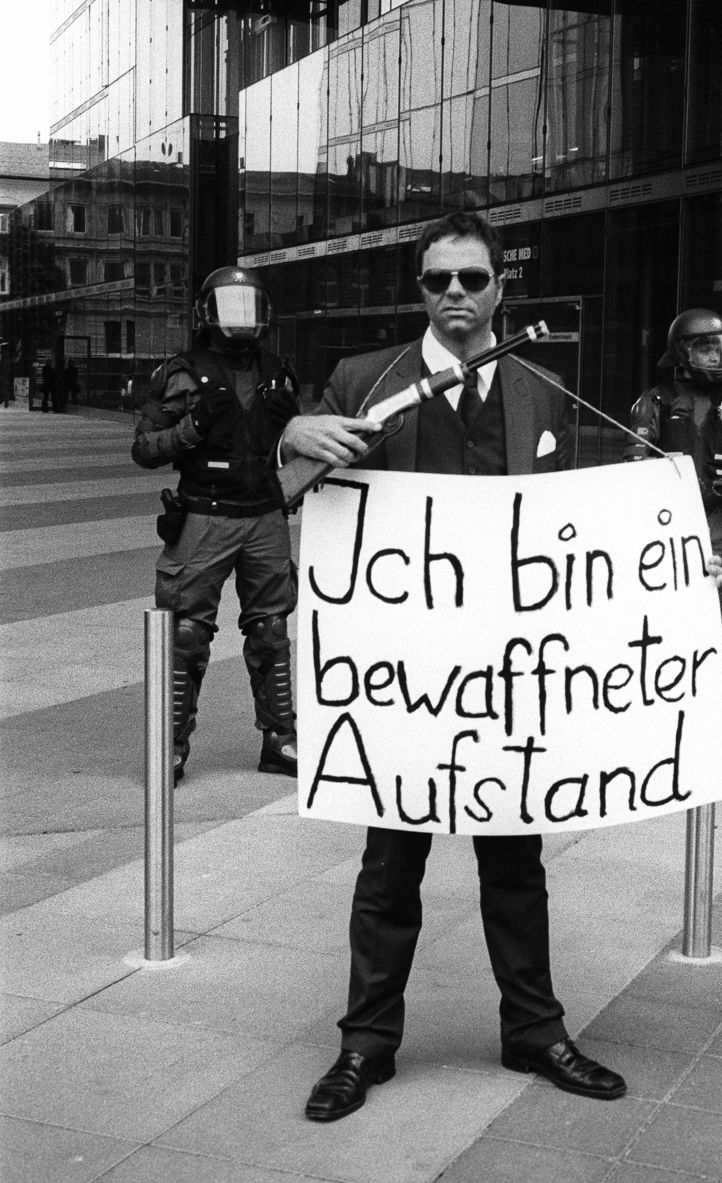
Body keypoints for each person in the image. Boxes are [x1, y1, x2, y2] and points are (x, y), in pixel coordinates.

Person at [281, 210, 628, 1123]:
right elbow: (279, 493)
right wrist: (291, 441)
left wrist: (665, 565)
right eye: (439, 281)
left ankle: (536, 1031)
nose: (456, 296)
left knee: (517, 863)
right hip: (403, 682)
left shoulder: (543, 392)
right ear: (420, 290)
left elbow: (573, 533)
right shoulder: (365, 381)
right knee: (388, 870)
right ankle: (365, 1045)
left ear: (500, 287)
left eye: (472, 280)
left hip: (505, 678)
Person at [131, 266, 301, 783]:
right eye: (231, 307)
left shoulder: (278, 371)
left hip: (265, 514)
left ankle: (280, 739)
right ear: (207, 313)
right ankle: (171, 745)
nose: (241, 318)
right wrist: (194, 426)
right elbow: (143, 448)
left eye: (248, 307)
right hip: (204, 515)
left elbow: (296, 446)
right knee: (186, 632)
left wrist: (289, 429)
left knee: (271, 630)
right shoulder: (182, 373)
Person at [626, 306, 722, 748]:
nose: (715, 356)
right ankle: (662, 703)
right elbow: (634, 463)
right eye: (706, 347)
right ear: (682, 351)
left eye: (718, 346)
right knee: (666, 609)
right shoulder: (653, 402)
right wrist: (664, 484)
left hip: (720, 519)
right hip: (670, 523)